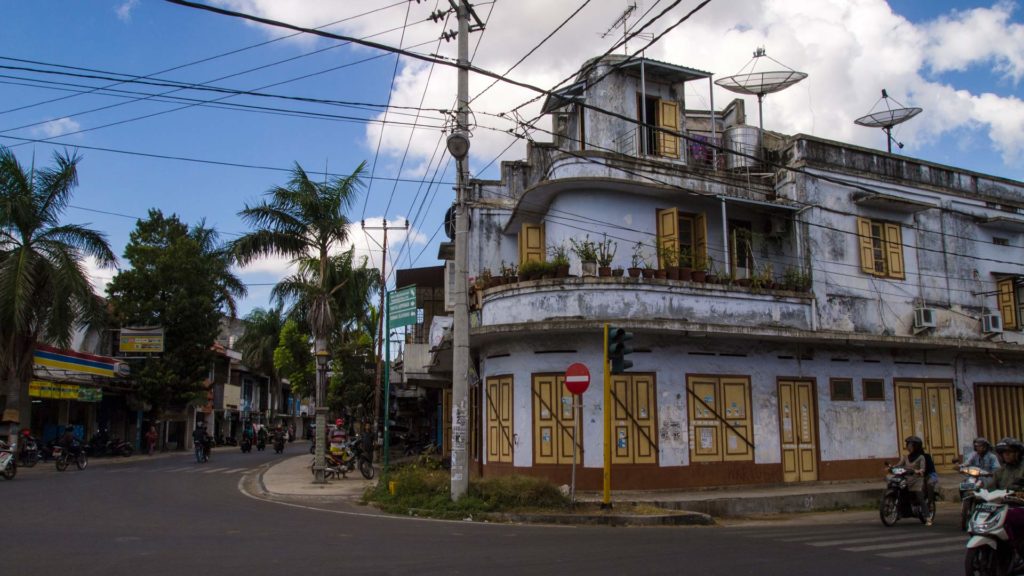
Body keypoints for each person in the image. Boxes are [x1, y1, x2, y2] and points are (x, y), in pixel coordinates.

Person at [893, 435, 928, 520]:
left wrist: (919, 471)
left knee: (919, 496)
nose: (908, 446)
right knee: (898, 490)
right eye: (908, 444)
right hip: (906, 479)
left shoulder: (921, 457)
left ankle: (926, 514)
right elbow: (899, 465)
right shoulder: (905, 457)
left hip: (917, 479)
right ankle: (901, 511)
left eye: (910, 445)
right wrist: (892, 467)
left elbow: (923, 468)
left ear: (916, 446)